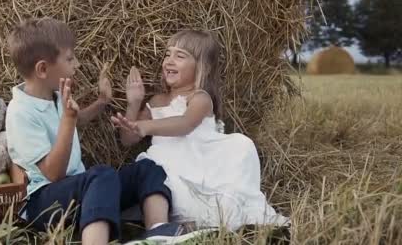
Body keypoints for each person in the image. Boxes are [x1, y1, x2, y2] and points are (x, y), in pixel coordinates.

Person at [5, 18, 193, 244]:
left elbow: (76, 119)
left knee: (146, 168)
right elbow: (53, 174)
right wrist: (68, 119)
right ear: (43, 69)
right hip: (45, 204)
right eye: (69, 58)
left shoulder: (52, 95)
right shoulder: (20, 112)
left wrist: (102, 102)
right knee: (102, 175)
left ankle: (158, 232)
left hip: (81, 192)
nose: (77, 64)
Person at [112, 30, 289, 231]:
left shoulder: (200, 98)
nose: (169, 60)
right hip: (166, 163)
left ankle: (194, 224)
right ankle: (162, 230)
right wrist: (134, 103)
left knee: (242, 145)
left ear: (201, 67)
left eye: (180, 56)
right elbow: (128, 139)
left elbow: (185, 124)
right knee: (154, 172)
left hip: (200, 164)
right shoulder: (155, 101)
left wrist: (145, 126)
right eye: (167, 54)